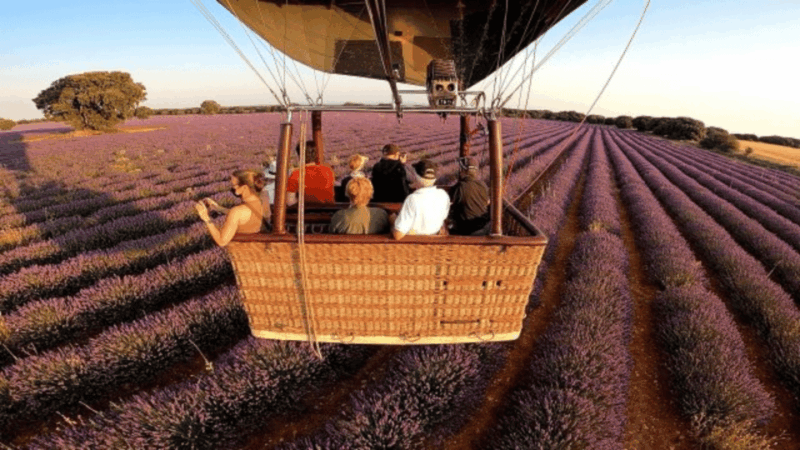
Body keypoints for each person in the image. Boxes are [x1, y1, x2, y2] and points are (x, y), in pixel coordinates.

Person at [195, 169, 270, 247]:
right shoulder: (259, 201)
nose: (232, 188)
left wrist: (206, 218)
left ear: (244, 187)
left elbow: (222, 241)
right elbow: (244, 215)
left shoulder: (237, 212)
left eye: (234, 185)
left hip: (240, 250)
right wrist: (218, 208)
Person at [391, 158, 450, 240]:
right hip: (434, 244)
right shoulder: (443, 195)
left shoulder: (413, 199)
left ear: (416, 177)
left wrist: (392, 221)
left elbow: (398, 235)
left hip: (414, 246)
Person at [449, 156, 491, 235]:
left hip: (467, 230)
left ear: (462, 171)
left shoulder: (459, 187)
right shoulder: (483, 185)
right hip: (484, 228)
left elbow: (450, 204)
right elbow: (487, 202)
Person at [287, 140, 335, 205]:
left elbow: (290, 202)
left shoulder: (296, 174)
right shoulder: (328, 170)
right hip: (328, 211)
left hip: (306, 212)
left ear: (299, 156)